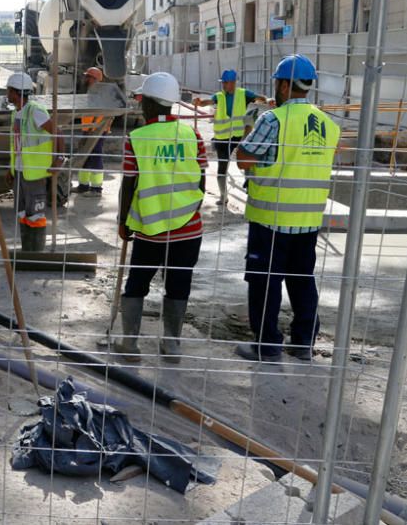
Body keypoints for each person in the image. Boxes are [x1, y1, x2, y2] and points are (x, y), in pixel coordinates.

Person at [234, 54, 339, 363]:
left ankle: (267, 345)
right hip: (307, 220)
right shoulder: (327, 123)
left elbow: (243, 158)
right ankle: (303, 341)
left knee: (264, 279)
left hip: (271, 218)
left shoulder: (272, 120)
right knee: (302, 278)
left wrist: (247, 130)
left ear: (281, 85)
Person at [115, 72, 207, 364]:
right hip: (188, 228)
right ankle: (172, 345)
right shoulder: (192, 135)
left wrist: (123, 221)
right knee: (179, 284)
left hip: (149, 228)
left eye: (143, 100)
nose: (141, 105)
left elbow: (129, 183)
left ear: (152, 104)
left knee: (137, 283)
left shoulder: (137, 138)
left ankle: (130, 344)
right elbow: (202, 182)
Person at [7, 72, 64, 253]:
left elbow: (59, 133)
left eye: (8, 91)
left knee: (36, 215)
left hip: (35, 173)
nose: (7, 94)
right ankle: (27, 250)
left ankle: (36, 253)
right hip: (21, 171)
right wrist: (11, 169)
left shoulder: (34, 111)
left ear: (16, 92)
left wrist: (59, 159)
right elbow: (16, 145)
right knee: (22, 213)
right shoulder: (15, 113)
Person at [193, 69, 269, 204]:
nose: (223, 85)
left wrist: (267, 100)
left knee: (246, 163)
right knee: (222, 168)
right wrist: (199, 102)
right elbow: (208, 102)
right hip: (222, 138)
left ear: (233, 83)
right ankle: (223, 196)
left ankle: (251, 190)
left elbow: (259, 98)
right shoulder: (219, 96)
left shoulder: (243, 94)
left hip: (238, 136)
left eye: (226, 82)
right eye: (223, 83)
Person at [74, 67, 109, 195]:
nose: (86, 79)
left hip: (97, 130)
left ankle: (96, 188)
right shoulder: (91, 91)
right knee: (85, 157)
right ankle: (83, 186)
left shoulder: (101, 93)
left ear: (94, 79)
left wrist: (92, 129)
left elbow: (102, 113)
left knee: (95, 157)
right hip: (89, 129)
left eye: (88, 77)